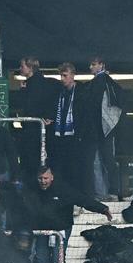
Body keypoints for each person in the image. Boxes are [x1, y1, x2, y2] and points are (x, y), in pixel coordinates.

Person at [5, 165, 111, 263]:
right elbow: (15, 192)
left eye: (45, 178)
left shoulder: (63, 190)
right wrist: (1, 188)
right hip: (41, 231)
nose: (43, 181)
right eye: (40, 178)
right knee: (41, 259)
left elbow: (83, 199)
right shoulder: (32, 189)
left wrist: (102, 209)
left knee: (57, 260)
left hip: (60, 231)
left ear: (52, 177)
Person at [48, 62, 92, 194]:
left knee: (76, 169)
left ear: (73, 75)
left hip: (76, 137)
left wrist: (81, 136)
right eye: (61, 76)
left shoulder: (83, 92)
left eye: (65, 75)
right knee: (62, 168)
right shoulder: (59, 93)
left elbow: (86, 116)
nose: (62, 79)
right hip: (61, 137)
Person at [87, 55, 124, 200]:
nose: (91, 67)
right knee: (105, 161)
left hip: (102, 129)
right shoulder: (107, 83)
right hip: (103, 129)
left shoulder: (102, 83)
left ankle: (105, 191)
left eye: (93, 64)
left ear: (101, 65)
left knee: (103, 161)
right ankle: (110, 191)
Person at [17, 55, 60, 176]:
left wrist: (23, 92)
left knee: (31, 159)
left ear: (30, 68)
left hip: (32, 128)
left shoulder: (31, 86)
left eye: (22, 66)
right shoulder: (47, 83)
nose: (20, 68)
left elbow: (28, 106)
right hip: (43, 127)